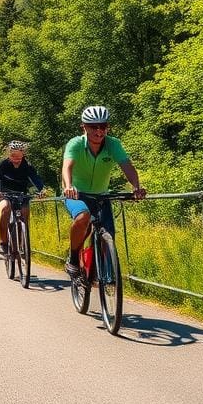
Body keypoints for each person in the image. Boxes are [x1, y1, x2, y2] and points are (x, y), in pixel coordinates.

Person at [61, 105, 145, 279]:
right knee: (83, 217)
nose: (99, 131)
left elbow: (127, 166)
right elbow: (67, 166)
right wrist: (69, 186)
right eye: (93, 127)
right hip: (77, 194)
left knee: (108, 237)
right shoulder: (75, 144)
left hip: (101, 195)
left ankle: (102, 276)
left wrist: (136, 187)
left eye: (103, 126)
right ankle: (74, 258)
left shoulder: (113, 144)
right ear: (83, 127)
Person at [0, 140, 45, 255]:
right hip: (4, 194)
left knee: (24, 213)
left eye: (19, 156)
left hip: (21, 195)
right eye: (13, 156)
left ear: (23, 154)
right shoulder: (3, 164)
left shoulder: (27, 165)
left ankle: (22, 245)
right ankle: (3, 242)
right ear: (9, 154)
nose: (16, 159)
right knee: (5, 208)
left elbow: (36, 179)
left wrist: (42, 190)